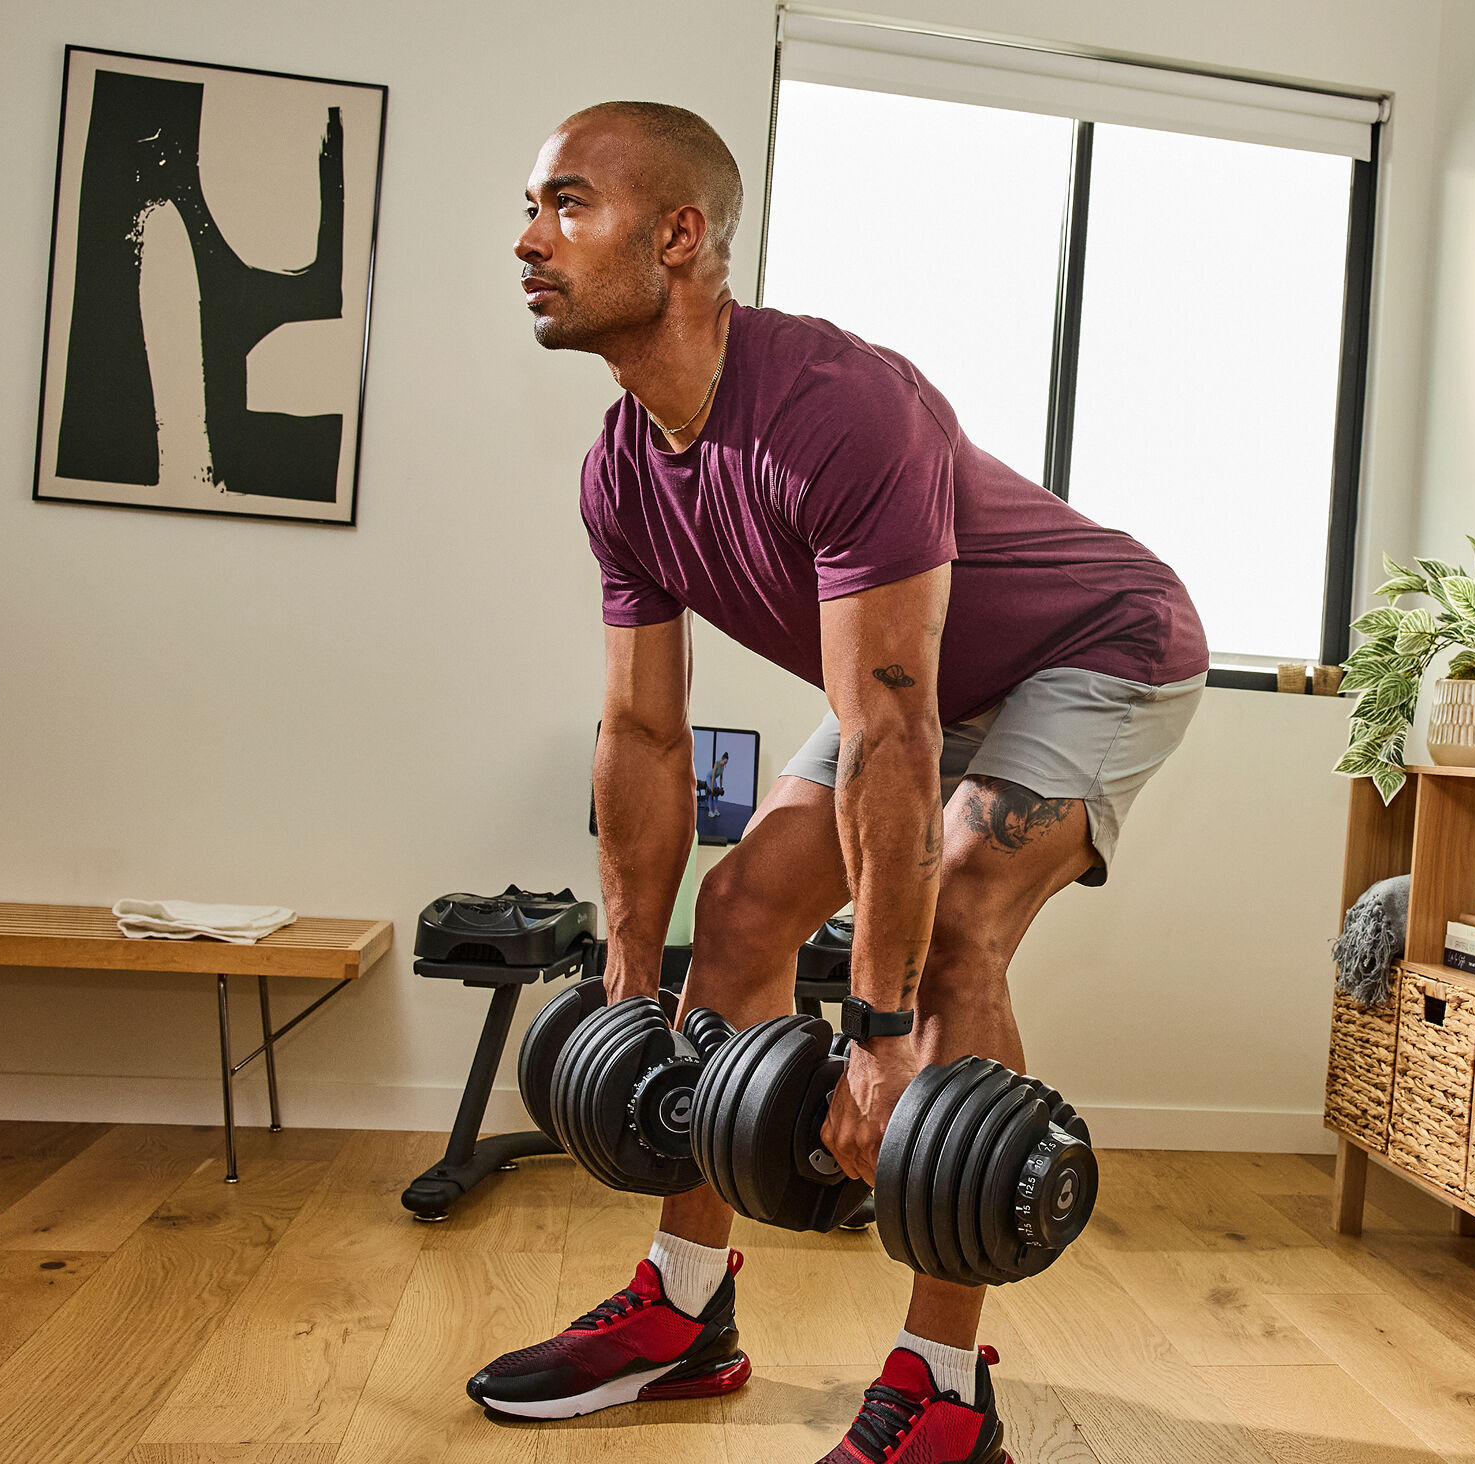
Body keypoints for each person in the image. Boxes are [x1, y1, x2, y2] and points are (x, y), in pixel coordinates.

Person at [468, 101, 1207, 1464]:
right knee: (745, 912)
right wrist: (634, 982)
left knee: (956, 933)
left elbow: (889, 734)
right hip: (909, 687)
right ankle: (686, 1312)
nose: (530, 239)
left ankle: (943, 1388)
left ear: (679, 236)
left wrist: (871, 1034)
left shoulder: (835, 408)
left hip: (1093, 648)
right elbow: (641, 736)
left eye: (569, 205)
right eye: (534, 207)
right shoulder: (623, 473)